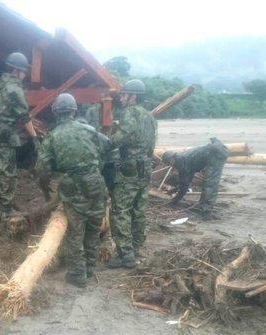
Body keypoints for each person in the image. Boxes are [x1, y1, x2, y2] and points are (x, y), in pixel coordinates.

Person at [37, 93, 108, 287]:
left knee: (76, 230)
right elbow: (105, 151)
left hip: (74, 185)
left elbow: (42, 169)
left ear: (55, 113)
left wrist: (44, 187)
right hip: (96, 182)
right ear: (74, 111)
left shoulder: (52, 137)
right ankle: (90, 267)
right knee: (93, 227)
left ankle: (77, 274)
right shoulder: (90, 130)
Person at [106, 79, 157, 269]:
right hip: (145, 167)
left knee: (120, 210)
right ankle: (136, 248)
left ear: (133, 97)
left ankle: (125, 254)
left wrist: (108, 142)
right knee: (139, 209)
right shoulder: (150, 117)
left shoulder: (129, 113)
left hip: (129, 169)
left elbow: (123, 137)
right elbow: (151, 146)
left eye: (124, 94)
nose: (121, 97)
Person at [0, 52, 39, 217]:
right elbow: (24, 117)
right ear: (17, 71)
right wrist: (35, 137)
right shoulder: (14, 88)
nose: (24, 75)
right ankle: (7, 211)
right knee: (8, 172)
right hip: (4, 135)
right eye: (24, 72)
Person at [161, 137, 229, 218]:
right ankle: (202, 206)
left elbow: (185, 184)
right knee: (207, 183)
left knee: (210, 185)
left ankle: (206, 212)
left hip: (216, 154)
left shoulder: (181, 163)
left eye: (169, 163)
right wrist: (175, 189)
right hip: (211, 153)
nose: (170, 165)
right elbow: (187, 179)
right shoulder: (181, 159)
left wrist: (176, 198)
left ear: (171, 160)